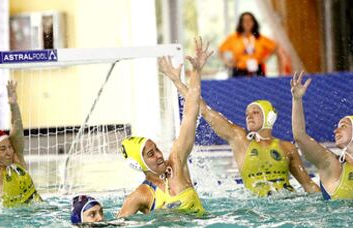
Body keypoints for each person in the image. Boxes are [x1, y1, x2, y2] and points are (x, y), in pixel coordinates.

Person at [159, 60, 320, 197]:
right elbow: (204, 110)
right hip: (257, 208)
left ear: (270, 117)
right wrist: (177, 81)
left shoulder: (287, 147)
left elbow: (307, 184)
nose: (249, 116)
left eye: (255, 112)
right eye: (247, 113)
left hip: (288, 203)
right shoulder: (239, 139)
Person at [117, 38, 212, 217]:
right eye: (151, 154)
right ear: (139, 164)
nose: (160, 155)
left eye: (157, 149)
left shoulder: (177, 161)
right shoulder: (141, 196)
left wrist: (197, 71)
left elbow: (191, 113)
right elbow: (116, 227)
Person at [291, 71, 353, 200]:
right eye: (337, 127)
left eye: (343, 126)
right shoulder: (332, 164)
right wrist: (297, 100)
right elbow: (300, 137)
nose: (336, 130)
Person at [219, 12, 277, 77]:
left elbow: (274, 47)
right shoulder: (234, 37)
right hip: (239, 71)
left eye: (250, 20)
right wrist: (228, 63)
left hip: (257, 70)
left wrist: (265, 59)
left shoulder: (259, 37)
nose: (247, 22)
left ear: (254, 22)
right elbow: (220, 50)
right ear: (240, 23)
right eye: (244, 20)